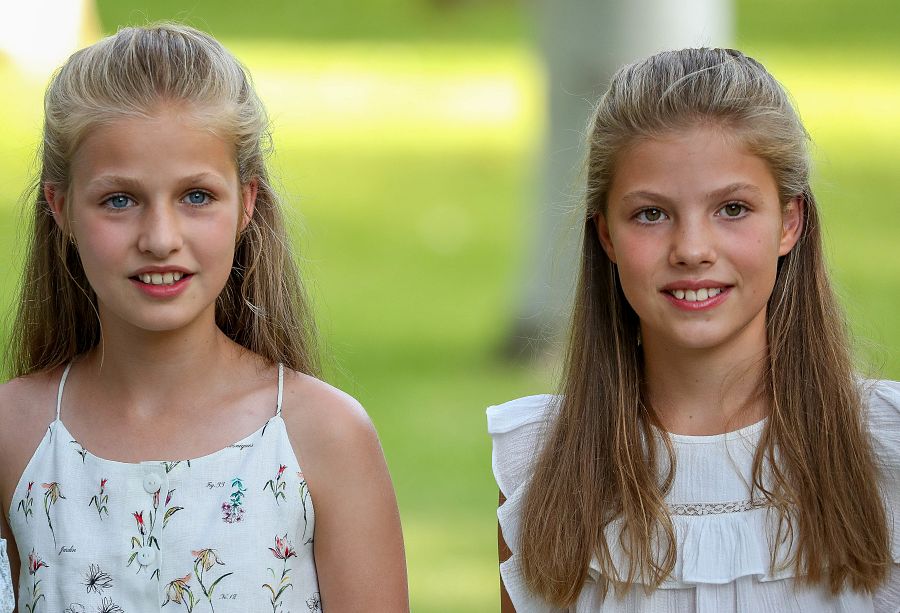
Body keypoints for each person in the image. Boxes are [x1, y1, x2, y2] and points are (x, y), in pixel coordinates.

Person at [0, 23, 408, 612]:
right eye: (120, 200)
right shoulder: (16, 434)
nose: (161, 239)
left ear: (247, 203)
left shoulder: (322, 437)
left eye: (196, 196)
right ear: (60, 207)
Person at [487, 48, 899, 612]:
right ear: (606, 236)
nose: (692, 250)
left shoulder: (884, 446)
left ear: (790, 222)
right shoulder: (542, 465)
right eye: (651, 214)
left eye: (731, 208)